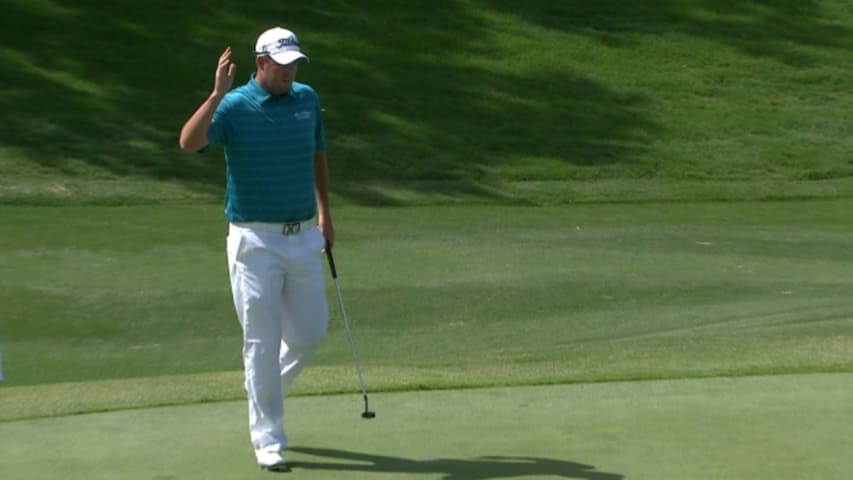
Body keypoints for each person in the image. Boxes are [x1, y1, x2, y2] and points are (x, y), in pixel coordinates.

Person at [179, 26, 333, 472]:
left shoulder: (306, 99)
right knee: (260, 342)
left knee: (309, 333)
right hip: (253, 240)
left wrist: (326, 215)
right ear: (261, 62)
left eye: (295, 63)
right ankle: (269, 440)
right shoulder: (233, 106)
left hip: (304, 233)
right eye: (282, 63)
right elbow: (189, 143)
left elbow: (318, 155)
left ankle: (261, 390)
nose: (290, 71)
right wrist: (214, 95)